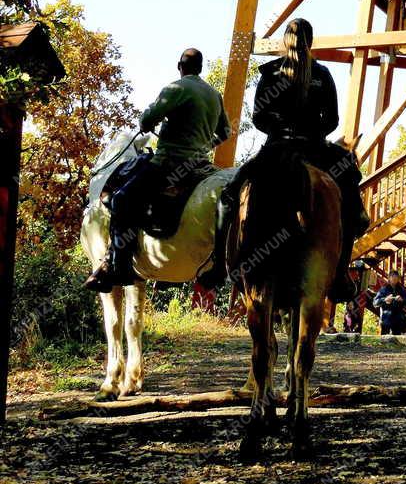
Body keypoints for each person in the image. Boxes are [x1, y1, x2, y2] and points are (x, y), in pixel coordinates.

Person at [199, 18, 368, 291]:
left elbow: (258, 117)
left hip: (277, 148)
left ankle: (219, 266)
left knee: (229, 196)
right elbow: (333, 120)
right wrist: (313, 134)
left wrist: (281, 130)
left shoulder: (271, 73)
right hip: (315, 148)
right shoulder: (322, 74)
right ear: (310, 41)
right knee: (350, 196)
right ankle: (341, 273)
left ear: (285, 39)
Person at [85, 48, 230, 291]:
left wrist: (148, 120)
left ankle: (118, 265)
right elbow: (225, 132)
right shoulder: (214, 95)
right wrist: (205, 145)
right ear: (200, 68)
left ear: (180, 66)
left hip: (170, 162)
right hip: (201, 166)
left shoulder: (176, 88)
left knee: (121, 200)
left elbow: (146, 121)